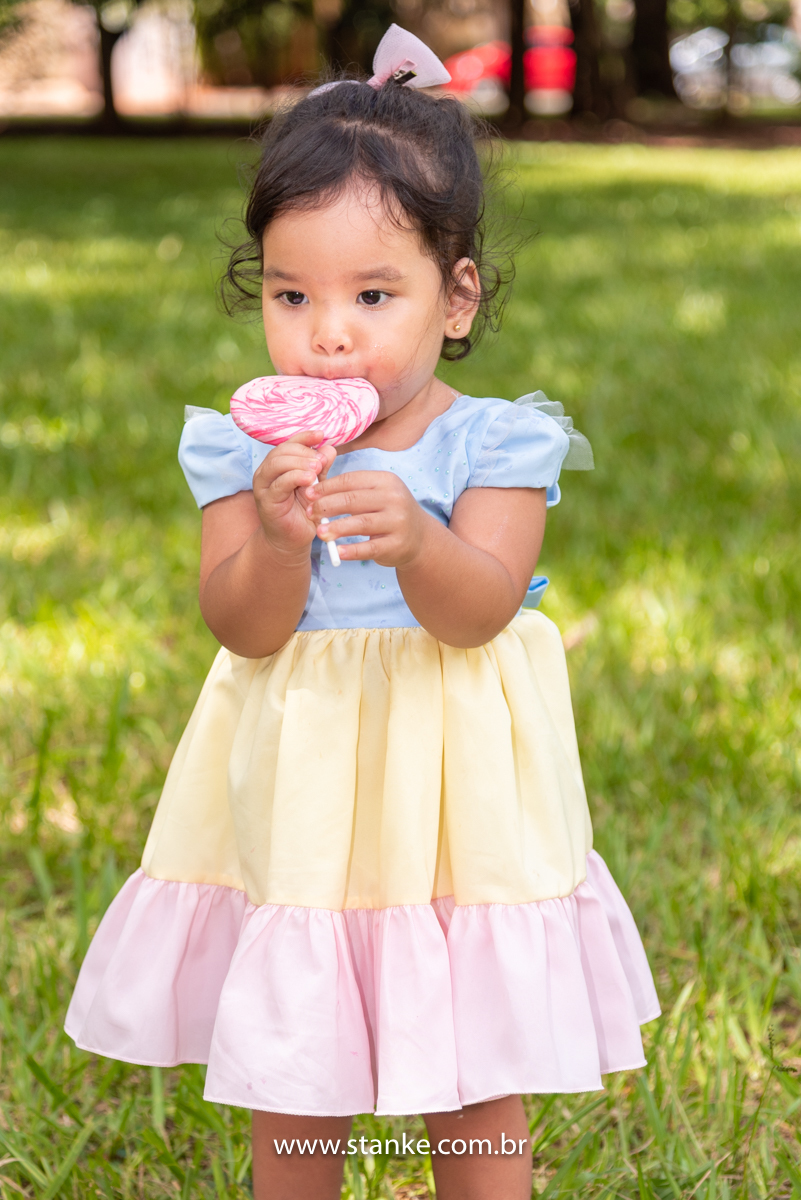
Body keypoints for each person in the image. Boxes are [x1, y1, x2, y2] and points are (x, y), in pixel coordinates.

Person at [65, 25, 660, 1200]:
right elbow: (241, 627)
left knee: (471, 1048)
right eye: (292, 294)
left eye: (374, 294)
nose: (328, 332)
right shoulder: (244, 454)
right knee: (297, 1037)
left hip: (453, 793)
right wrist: (280, 539)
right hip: (308, 783)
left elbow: (482, 611)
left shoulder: (496, 443)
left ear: (457, 298)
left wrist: (422, 542)